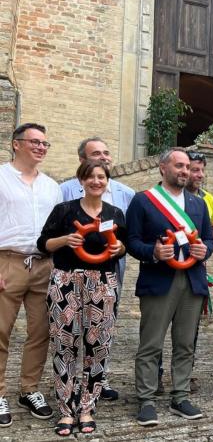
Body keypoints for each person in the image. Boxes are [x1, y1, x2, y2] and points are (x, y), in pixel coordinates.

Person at [127, 147, 213, 426]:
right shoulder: (143, 201)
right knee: (151, 343)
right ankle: (147, 399)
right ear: (162, 168)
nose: (184, 171)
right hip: (158, 279)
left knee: (185, 343)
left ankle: (180, 395)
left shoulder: (198, 204)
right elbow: (131, 241)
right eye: (178, 166)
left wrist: (205, 250)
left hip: (192, 280)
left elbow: (210, 240)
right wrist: (152, 252)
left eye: (187, 167)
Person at [38, 160, 126, 436]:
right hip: (66, 280)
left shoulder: (115, 213)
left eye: (101, 177)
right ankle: (66, 410)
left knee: (97, 347)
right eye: (90, 177)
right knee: (64, 345)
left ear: (107, 181)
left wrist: (120, 246)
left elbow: (121, 247)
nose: (96, 181)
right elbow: (43, 244)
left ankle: (87, 407)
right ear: (81, 180)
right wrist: (66, 240)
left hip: (102, 283)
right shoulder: (64, 211)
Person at [59, 136, 134, 400]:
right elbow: (52, 232)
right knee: (71, 329)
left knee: (102, 326)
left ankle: (99, 378)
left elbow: (126, 237)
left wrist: (121, 248)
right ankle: (70, 382)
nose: (102, 157)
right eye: (95, 154)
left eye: (106, 153)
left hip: (109, 271)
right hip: (72, 271)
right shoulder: (65, 192)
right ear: (82, 162)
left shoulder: (126, 194)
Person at [0, 123, 61, 428]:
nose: (41, 147)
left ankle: (29, 389)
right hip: (7, 261)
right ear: (16, 144)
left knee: (41, 331)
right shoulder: (0, 177)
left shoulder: (52, 186)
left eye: (45, 144)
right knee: (1, 331)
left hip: (43, 264)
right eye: (35, 142)